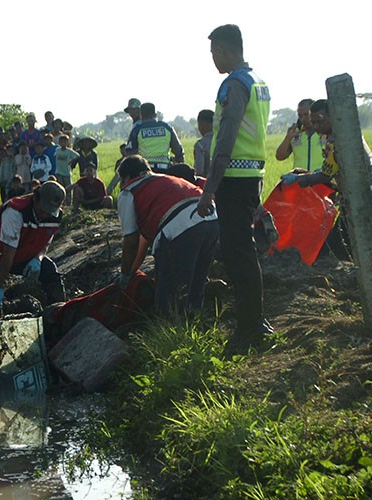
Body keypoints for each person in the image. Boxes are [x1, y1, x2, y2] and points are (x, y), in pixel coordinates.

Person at [196, 24, 272, 354]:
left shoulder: (234, 85)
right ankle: (254, 322)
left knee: (238, 252)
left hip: (234, 179)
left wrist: (210, 187)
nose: (213, 59)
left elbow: (225, 137)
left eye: (214, 53)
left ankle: (249, 329)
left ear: (225, 51)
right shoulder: (258, 82)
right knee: (243, 251)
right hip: (251, 174)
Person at [281, 99, 372, 261]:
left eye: (319, 121)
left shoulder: (338, 139)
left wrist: (298, 180)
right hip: (361, 194)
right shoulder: (340, 135)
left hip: (365, 196)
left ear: (332, 117)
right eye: (313, 122)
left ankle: (355, 278)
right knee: (344, 242)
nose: (315, 127)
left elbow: (325, 175)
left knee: (337, 244)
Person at [117, 155, 219, 317]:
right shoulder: (166, 180)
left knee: (170, 293)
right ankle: (195, 323)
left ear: (127, 177)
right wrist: (132, 271)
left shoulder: (129, 191)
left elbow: (131, 240)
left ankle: (169, 333)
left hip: (180, 227)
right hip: (211, 221)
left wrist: (124, 275)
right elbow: (143, 242)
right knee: (196, 284)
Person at [0, 181, 66, 323]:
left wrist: (38, 259)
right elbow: (8, 254)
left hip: (22, 253)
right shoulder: (15, 212)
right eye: (43, 209)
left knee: (50, 272)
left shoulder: (54, 217)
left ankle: (59, 315)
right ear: (35, 198)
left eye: (49, 211)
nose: (45, 214)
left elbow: (44, 244)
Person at [126, 102, 185, 173]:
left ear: (141, 116)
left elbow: (130, 154)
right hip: (165, 169)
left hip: (145, 171)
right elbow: (178, 151)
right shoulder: (167, 127)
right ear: (155, 115)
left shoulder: (137, 130)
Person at [275, 98, 324, 172]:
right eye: (300, 115)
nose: (303, 119)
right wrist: (288, 138)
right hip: (300, 180)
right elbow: (280, 156)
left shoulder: (325, 131)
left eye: (306, 114)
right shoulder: (295, 134)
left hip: (321, 180)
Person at [53, 134, 79, 200]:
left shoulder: (69, 151)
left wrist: (72, 161)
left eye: (65, 142)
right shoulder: (57, 150)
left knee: (68, 188)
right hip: (59, 172)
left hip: (66, 172)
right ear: (59, 142)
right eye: (61, 142)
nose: (63, 143)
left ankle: (68, 202)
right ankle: (62, 202)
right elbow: (54, 156)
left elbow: (77, 156)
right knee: (60, 188)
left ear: (67, 142)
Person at [193, 109, 214, 177]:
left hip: (207, 184)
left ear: (201, 125)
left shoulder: (200, 145)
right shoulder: (223, 141)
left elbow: (199, 170)